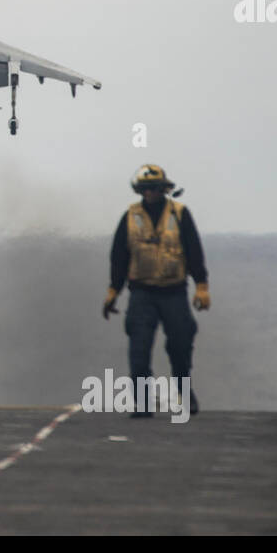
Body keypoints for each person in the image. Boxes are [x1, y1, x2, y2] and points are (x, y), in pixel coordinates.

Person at [103, 164, 209, 417]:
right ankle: (142, 402)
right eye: (144, 189)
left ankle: (185, 393)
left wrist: (202, 286)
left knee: (181, 346)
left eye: (153, 188)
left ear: (164, 189)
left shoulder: (180, 214)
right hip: (142, 294)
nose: (149, 193)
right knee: (138, 350)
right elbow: (119, 257)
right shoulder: (130, 217)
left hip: (174, 292)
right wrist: (113, 291)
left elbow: (194, 252)